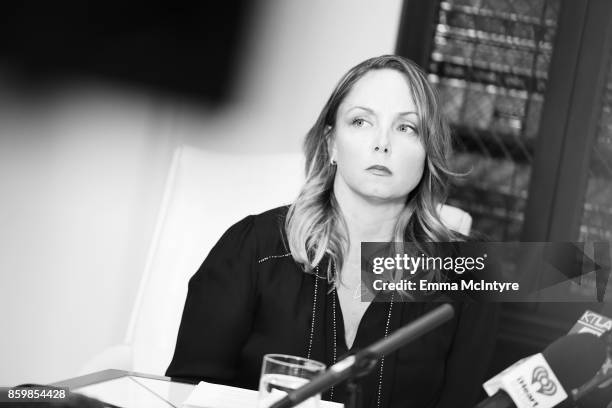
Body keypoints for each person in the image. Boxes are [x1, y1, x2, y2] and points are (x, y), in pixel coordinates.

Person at [166, 55, 498, 408]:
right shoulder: (252, 247)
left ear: (427, 151)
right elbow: (188, 394)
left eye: (406, 128)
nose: (382, 143)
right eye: (361, 121)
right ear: (331, 144)